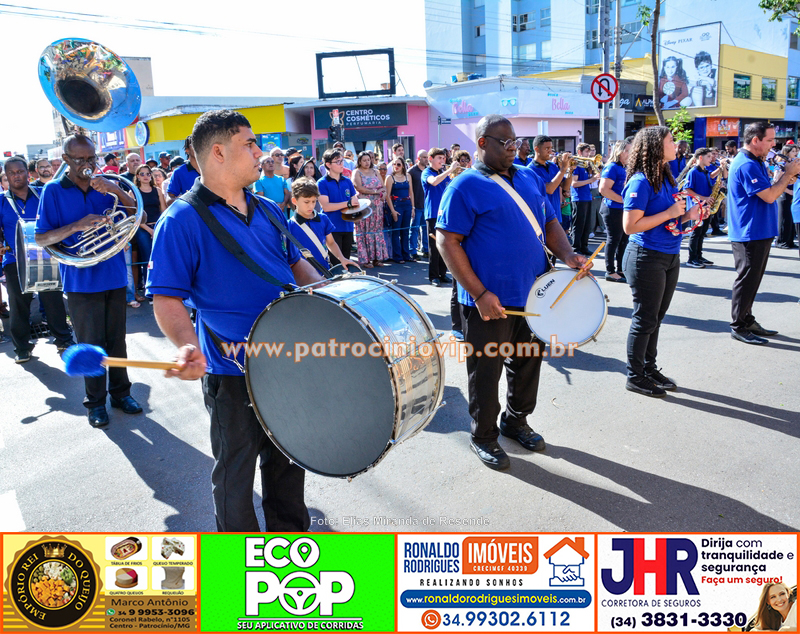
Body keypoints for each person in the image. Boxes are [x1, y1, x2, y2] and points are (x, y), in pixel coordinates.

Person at [147, 109, 322, 532]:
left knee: (287, 468)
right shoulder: (181, 220)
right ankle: (239, 565)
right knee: (235, 478)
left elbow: (298, 267)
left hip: (287, 362)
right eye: (250, 144)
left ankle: (292, 557)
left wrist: (338, 303)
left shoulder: (268, 209)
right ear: (219, 152)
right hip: (232, 370)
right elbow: (166, 298)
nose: (260, 153)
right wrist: (186, 345)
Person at [436, 115, 590, 471]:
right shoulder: (465, 186)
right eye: (504, 142)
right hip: (489, 300)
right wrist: (478, 292)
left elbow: (549, 221)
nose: (513, 147)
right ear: (482, 143)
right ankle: (484, 435)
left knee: (527, 364)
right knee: (486, 373)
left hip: (535, 295)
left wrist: (568, 254)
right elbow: (447, 240)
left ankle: (516, 420)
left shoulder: (529, 176)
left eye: (514, 141)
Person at [35, 134, 142, 427]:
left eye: (91, 158)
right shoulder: (53, 191)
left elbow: (135, 214)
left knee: (116, 341)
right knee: (91, 344)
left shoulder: (106, 184)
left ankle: (121, 393)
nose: (87, 164)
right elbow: (42, 236)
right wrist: (77, 226)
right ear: (66, 161)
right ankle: (95, 403)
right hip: (80, 279)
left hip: (113, 273)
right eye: (79, 159)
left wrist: (116, 191)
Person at [621, 126, 703, 397]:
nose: (676, 144)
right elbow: (630, 226)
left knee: (656, 318)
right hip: (646, 257)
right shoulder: (640, 181)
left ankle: (648, 367)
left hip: (668, 255)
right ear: (657, 146)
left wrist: (686, 215)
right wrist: (670, 211)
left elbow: (668, 219)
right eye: (670, 140)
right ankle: (635, 376)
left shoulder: (665, 177)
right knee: (645, 319)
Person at [727, 122, 800, 344]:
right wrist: (787, 173)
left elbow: (769, 189)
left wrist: (785, 177)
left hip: (759, 231)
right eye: (769, 140)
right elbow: (769, 196)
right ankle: (738, 325)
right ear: (755, 140)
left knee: (753, 280)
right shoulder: (746, 164)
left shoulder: (755, 161)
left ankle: (747, 319)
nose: (773, 145)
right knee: (747, 280)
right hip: (749, 232)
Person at [1, 156, 74, 363]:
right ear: (6, 176)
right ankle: (22, 347)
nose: (17, 175)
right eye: (12, 173)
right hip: (14, 260)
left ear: (28, 172)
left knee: (53, 301)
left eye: (20, 171)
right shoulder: (1, 201)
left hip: (47, 255)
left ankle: (63, 340)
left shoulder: (42, 194)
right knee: (18, 304)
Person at [288, 177, 357, 272]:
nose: (311, 206)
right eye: (306, 202)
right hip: (301, 275)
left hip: (323, 270)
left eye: (314, 201)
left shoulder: (323, 218)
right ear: (294, 201)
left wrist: (342, 258)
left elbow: (331, 242)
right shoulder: (289, 225)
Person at [683, 147, 726, 268]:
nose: (711, 158)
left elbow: (707, 186)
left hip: (706, 207)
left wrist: (717, 188)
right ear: (700, 157)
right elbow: (687, 189)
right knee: (696, 233)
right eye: (708, 156)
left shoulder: (706, 171)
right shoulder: (693, 172)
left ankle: (699, 255)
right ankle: (692, 258)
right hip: (696, 207)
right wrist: (704, 198)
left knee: (702, 233)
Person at [317, 147, 359, 267]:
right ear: (328, 164)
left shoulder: (347, 181)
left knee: (347, 262)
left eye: (342, 161)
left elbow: (353, 200)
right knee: (336, 264)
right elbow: (326, 207)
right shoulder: (322, 183)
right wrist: (348, 204)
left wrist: (358, 210)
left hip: (348, 226)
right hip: (332, 228)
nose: (342, 164)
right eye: (338, 161)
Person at [423, 148, 459, 286]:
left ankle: (443, 274)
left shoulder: (443, 174)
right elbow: (434, 182)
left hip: (444, 213)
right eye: (439, 158)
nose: (442, 161)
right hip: (432, 213)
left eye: (443, 159)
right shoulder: (427, 172)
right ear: (431, 159)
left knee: (446, 244)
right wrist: (450, 170)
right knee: (434, 246)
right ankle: (433, 276)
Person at [598, 139, 631, 282]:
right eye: (628, 151)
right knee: (613, 240)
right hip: (612, 209)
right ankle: (610, 271)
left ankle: (620, 269)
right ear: (620, 151)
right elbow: (604, 190)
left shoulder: (625, 167)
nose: (630, 154)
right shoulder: (612, 167)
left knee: (624, 240)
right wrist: (624, 201)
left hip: (622, 209)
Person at [133, 163, 166, 295]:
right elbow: (135, 215)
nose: (146, 176)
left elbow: (163, 210)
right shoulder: (134, 191)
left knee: (161, 257)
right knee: (148, 258)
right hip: (143, 228)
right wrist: (150, 230)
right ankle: (150, 290)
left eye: (148, 173)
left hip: (157, 225)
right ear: (137, 176)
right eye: (142, 174)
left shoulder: (157, 190)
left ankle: (162, 286)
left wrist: (158, 228)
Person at [351, 151, 388, 268]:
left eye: (368, 160)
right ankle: (365, 260)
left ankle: (377, 258)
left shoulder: (376, 172)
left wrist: (384, 194)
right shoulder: (356, 172)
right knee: (364, 230)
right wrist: (375, 192)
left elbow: (383, 186)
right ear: (359, 162)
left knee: (377, 230)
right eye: (364, 160)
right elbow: (359, 187)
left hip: (377, 206)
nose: (367, 162)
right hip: (364, 205)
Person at [530, 136, 571, 231]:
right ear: (536, 149)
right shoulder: (531, 170)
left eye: (551, 148)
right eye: (546, 148)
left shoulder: (552, 166)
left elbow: (565, 187)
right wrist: (563, 169)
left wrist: (570, 171)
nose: (550, 151)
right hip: (543, 218)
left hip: (557, 215)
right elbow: (549, 189)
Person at [571, 143, 600, 256]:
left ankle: (584, 246)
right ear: (579, 152)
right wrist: (590, 180)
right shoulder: (575, 165)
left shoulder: (586, 165)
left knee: (587, 224)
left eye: (589, 152)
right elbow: (574, 183)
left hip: (587, 197)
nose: (589, 154)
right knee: (578, 224)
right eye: (586, 152)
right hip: (578, 198)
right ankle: (575, 247)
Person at [384, 156, 414, 264]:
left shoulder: (408, 176)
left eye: (398, 164)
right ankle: (397, 256)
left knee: (405, 231)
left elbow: (411, 193)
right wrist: (392, 210)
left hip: (407, 204)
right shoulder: (390, 178)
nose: (396, 166)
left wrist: (413, 207)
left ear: (403, 166)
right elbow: (387, 195)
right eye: (394, 164)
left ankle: (406, 255)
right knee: (396, 231)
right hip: (396, 205)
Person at [775, 145, 798, 249]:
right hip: (784, 194)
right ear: (787, 153)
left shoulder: (794, 164)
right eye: (793, 151)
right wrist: (788, 191)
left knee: (791, 220)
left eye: (796, 150)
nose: (796, 152)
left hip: (793, 194)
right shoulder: (782, 165)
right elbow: (776, 180)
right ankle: (782, 241)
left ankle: (790, 240)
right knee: (784, 219)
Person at [408, 150, 429, 258]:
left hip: (426, 204)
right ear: (419, 158)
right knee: (414, 229)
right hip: (415, 204)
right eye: (424, 157)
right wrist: (412, 206)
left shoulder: (428, 170)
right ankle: (412, 251)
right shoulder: (411, 171)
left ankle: (425, 249)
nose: (426, 159)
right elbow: (409, 189)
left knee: (425, 229)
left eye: (427, 157)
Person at [166, 138, 200, 202]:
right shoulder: (179, 172)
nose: (198, 146)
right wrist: (187, 202)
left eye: (200, 143)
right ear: (187, 150)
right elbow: (169, 199)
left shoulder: (212, 168)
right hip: (192, 211)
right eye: (194, 144)